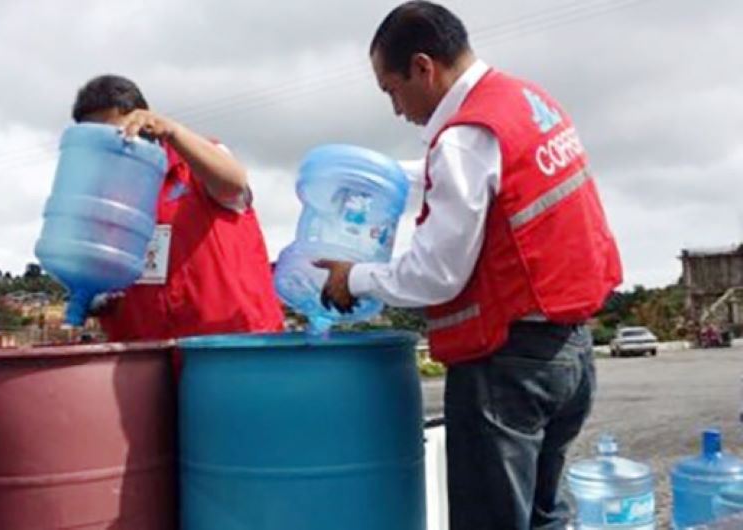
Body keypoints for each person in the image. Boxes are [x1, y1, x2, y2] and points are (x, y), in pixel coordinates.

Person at [316, 2, 622, 529]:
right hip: (568, 352)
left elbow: (437, 272)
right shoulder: (525, 101)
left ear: (422, 67)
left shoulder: (464, 135)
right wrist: (379, 176)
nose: (396, 109)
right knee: (543, 516)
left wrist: (355, 278)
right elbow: (466, 173)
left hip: (507, 365)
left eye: (392, 90)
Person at [71, 75, 284, 344]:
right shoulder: (104, 199)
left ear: (143, 122)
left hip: (230, 347)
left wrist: (173, 131)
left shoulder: (196, 162)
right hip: (146, 355)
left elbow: (234, 183)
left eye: (116, 133)